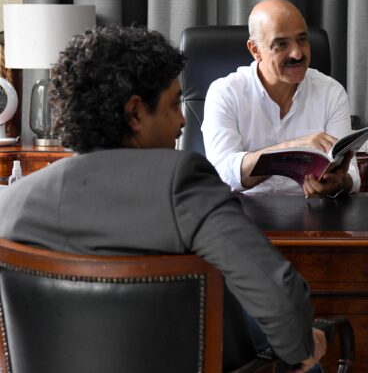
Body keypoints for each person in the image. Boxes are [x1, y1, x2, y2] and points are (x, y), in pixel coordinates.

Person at [0, 26, 326, 372]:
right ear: (135, 113)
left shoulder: (13, 203)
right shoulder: (183, 183)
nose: (183, 120)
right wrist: (302, 348)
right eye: (173, 105)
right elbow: (280, 300)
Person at [202, 0, 359, 198]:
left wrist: (339, 183)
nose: (297, 53)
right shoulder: (225, 93)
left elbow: (351, 175)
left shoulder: (331, 92)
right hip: (244, 209)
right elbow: (222, 174)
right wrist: (292, 150)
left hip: (313, 209)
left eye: (302, 39)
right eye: (281, 44)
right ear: (255, 50)